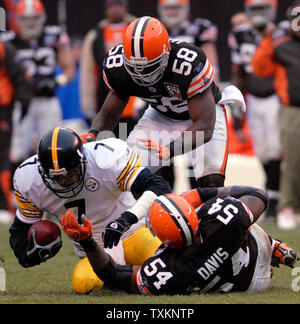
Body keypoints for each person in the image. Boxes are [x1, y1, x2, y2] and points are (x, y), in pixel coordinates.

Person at [82, 16, 246, 189]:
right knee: (130, 174)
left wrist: (170, 150)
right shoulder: (117, 66)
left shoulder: (188, 63)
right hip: (160, 115)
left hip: (202, 117)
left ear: (166, 55)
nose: (142, 74)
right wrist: (93, 136)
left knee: (210, 181)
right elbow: (108, 114)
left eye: (149, 67)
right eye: (135, 67)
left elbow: (204, 126)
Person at [9, 127, 171, 294]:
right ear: (43, 172)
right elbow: (20, 232)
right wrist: (31, 253)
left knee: (168, 266)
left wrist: (126, 219)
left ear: (82, 161)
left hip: (133, 233)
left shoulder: (106, 159)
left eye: (69, 175)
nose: (64, 181)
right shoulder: (29, 180)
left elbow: (160, 187)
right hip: (94, 251)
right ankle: (122, 274)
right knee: (83, 283)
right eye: (57, 177)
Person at [62, 185, 299, 295]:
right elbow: (259, 195)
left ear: (164, 241)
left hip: (249, 287)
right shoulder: (223, 216)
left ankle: (269, 246)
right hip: (256, 252)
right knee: (239, 219)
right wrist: (199, 195)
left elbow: (112, 274)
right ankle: (273, 245)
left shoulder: (168, 271)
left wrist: (88, 242)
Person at [2, 0, 75, 167]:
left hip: (47, 100)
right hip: (21, 102)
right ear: (17, 19)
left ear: (42, 17)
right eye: (26, 19)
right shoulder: (8, 41)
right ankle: (15, 187)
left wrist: (56, 82)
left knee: (52, 145)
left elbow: (69, 68)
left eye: (34, 18)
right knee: (17, 149)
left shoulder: (53, 36)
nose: (30, 23)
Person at [157, 0, 220, 189]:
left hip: (193, 101)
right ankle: (165, 205)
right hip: (164, 102)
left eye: (176, 7)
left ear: (185, 9)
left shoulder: (199, 29)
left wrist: (210, 90)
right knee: (162, 159)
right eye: (169, 8)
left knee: (196, 159)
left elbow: (210, 64)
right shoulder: (154, 32)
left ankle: (197, 205)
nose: (173, 12)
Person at [228, 0, 282, 220]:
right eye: (255, 8)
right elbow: (240, 73)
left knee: (277, 149)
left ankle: (276, 198)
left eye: (263, 8)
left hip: (277, 97)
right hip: (254, 99)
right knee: (263, 150)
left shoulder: (282, 34)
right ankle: (273, 194)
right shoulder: (241, 35)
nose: (259, 13)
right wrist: (237, 110)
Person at [251, 0, 300, 230]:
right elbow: (260, 68)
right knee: (292, 159)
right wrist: (268, 39)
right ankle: (288, 206)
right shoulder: (281, 44)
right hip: (292, 108)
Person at [80, 0, 137, 138]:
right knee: (109, 148)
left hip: (134, 105)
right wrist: (88, 105)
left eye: (119, 5)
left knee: (134, 147)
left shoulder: (138, 30)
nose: (115, 9)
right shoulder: (95, 35)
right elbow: (87, 73)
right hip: (106, 104)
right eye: (112, 6)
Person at [0, 41, 32, 223]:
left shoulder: (5, 49)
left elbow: (21, 77)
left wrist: (23, 102)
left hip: (3, 110)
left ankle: (4, 204)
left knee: (4, 157)